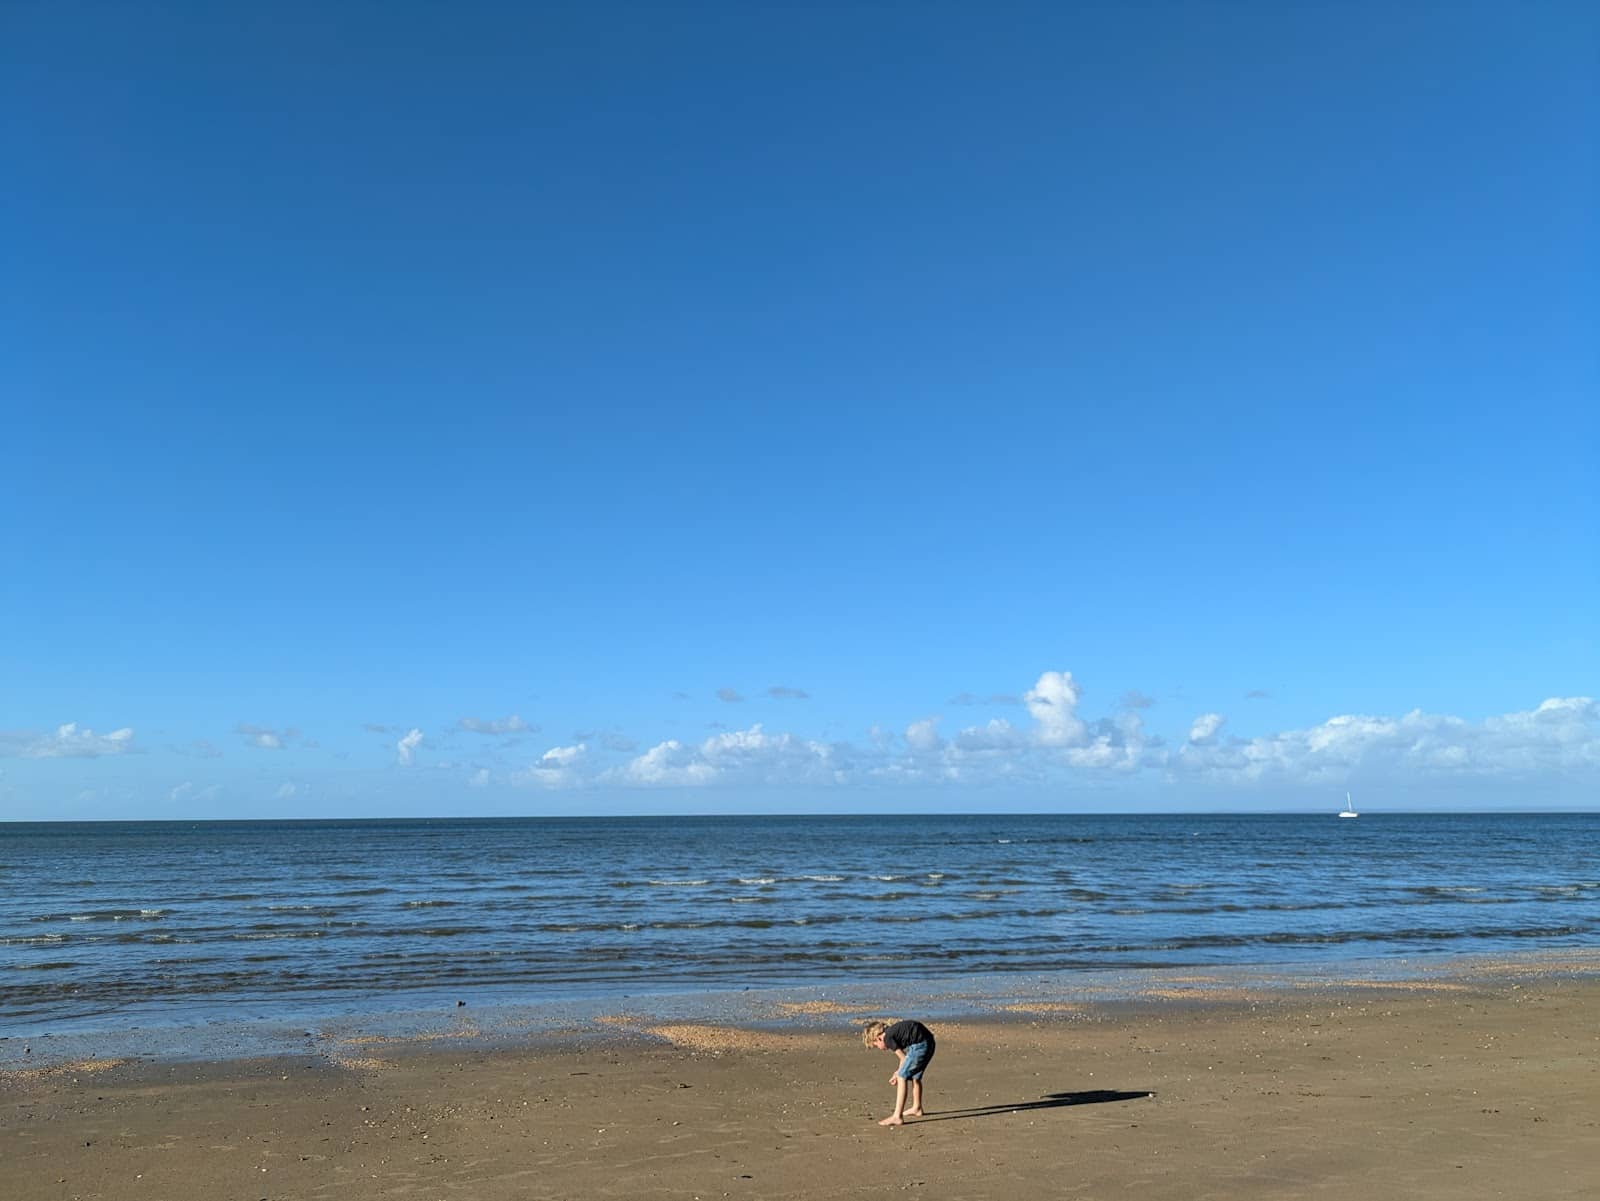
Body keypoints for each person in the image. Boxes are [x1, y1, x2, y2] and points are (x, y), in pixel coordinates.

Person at [862, 1018, 936, 1125]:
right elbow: (904, 1059)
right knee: (915, 1076)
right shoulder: (892, 1032)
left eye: (876, 1045)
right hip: (928, 1042)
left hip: (920, 1045)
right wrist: (897, 1072)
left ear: (878, 1038)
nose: (879, 1048)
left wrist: (898, 1074)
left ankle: (897, 1116)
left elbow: (903, 1058)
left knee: (902, 1077)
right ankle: (917, 1107)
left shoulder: (887, 1038)